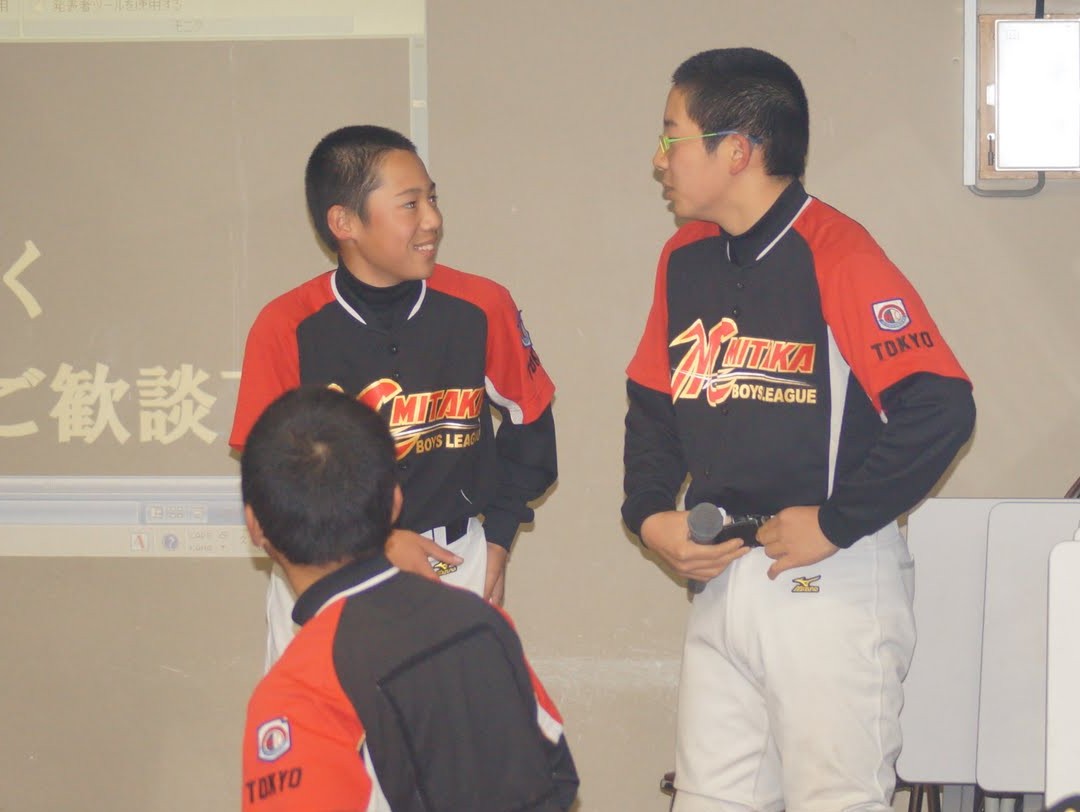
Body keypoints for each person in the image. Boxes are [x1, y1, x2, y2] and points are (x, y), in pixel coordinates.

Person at [622, 48, 976, 811]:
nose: (660, 159)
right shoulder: (683, 258)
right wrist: (649, 514)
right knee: (708, 800)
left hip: (831, 578)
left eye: (672, 136)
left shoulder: (837, 251)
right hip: (722, 578)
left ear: (737, 149)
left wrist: (837, 522)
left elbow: (941, 406)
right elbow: (653, 403)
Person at [230, 125, 557, 667]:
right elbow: (268, 485)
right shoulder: (286, 325)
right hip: (323, 568)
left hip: (450, 562)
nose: (432, 219)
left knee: (453, 721)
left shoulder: (481, 306)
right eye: (410, 204)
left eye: (432, 198)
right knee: (322, 723)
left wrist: (498, 537)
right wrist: (378, 545)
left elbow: (532, 426)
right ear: (344, 223)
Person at [240, 387, 577, 811]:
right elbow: (556, 773)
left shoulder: (298, 688)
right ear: (395, 501)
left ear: (255, 526)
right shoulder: (482, 621)